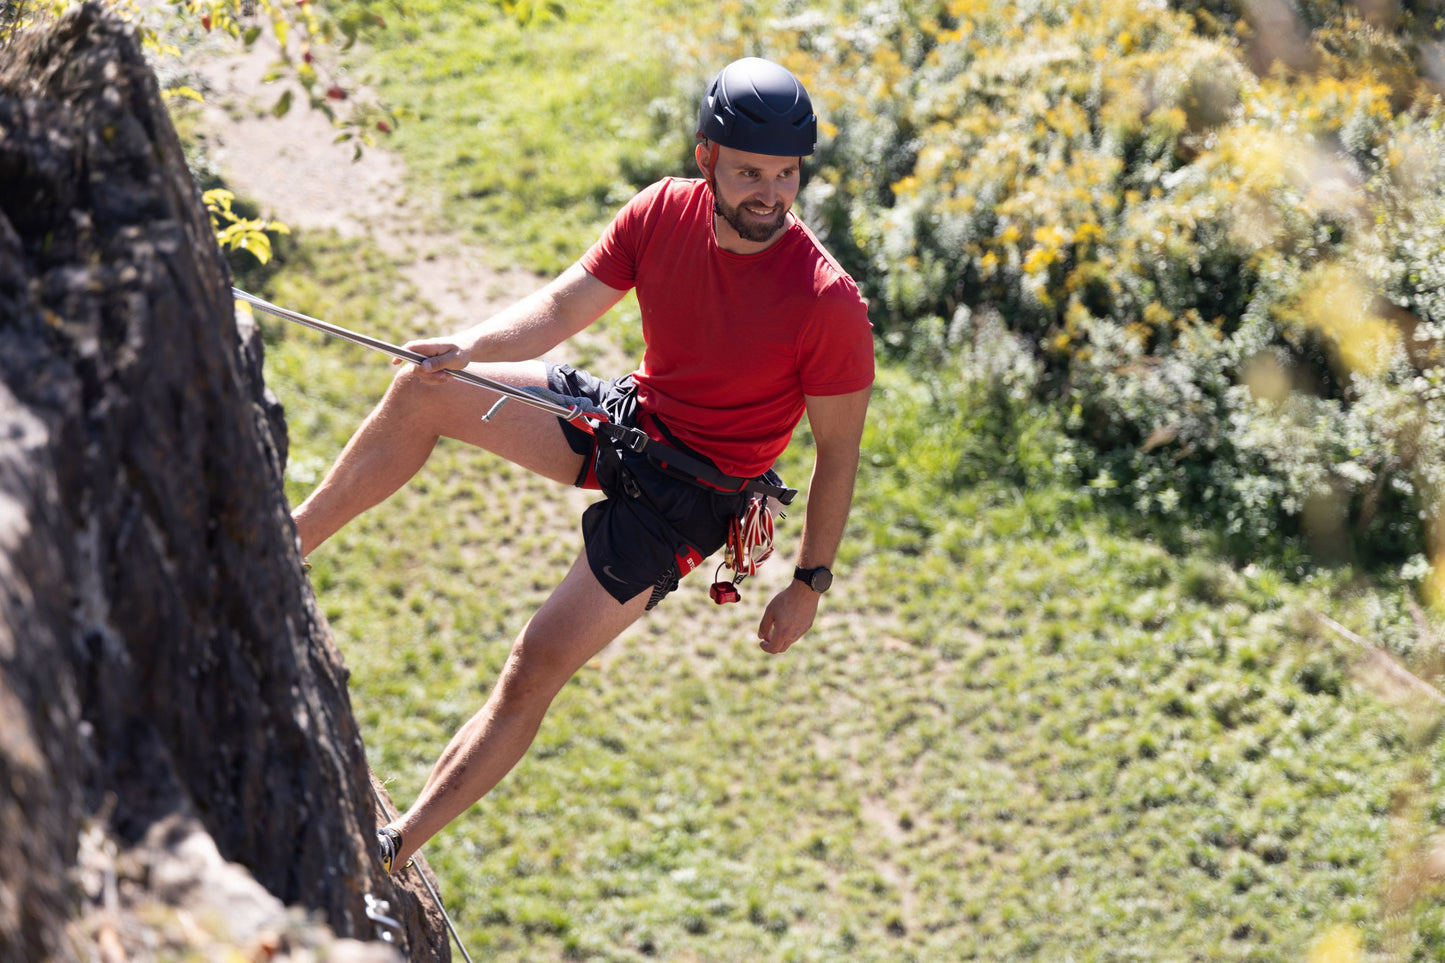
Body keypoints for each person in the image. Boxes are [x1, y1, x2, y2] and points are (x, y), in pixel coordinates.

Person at [290, 56, 875, 873]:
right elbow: (564, 307)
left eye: (786, 174)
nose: (770, 194)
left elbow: (838, 454)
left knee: (535, 663)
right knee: (423, 390)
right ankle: (280, 551)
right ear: (706, 157)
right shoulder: (662, 213)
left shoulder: (826, 303)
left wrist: (808, 583)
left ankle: (393, 847)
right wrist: (471, 348)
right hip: (632, 421)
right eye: (750, 172)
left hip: (691, 500)